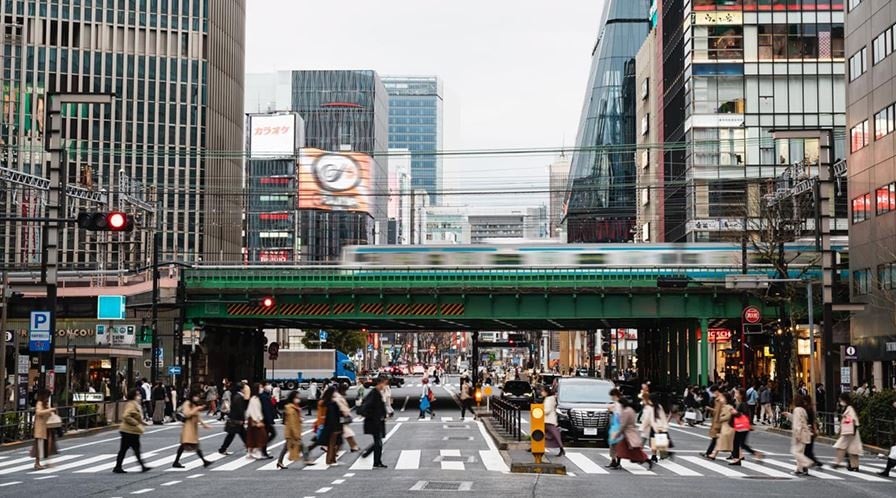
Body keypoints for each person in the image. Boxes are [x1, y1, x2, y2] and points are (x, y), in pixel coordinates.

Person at [113, 388, 150, 473]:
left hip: (130, 431)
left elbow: (136, 416)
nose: (139, 396)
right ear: (134, 396)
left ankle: (118, 466)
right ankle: (141, 466)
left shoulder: (134, 404)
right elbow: (126, 416)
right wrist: (136, 423)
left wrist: (142, 422)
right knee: (133, 448)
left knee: (126, 449)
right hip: (129, 430)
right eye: (138, 395)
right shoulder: (131, 404)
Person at [172, 388, 212, 468]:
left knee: (186, 445)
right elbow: (187, 414)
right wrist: (197, 409)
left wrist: (204, 424)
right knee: (191, 444)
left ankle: (176, 462)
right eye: (196, 396)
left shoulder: (193, 404)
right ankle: (204, 461)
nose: (198, 398)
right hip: (188, 427)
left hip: (192, 427)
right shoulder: (187, 403)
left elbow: (197, 416)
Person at [613, 396, 652, 469]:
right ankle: (618, 462)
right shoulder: (630, 410)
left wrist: (618, 433)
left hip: (627, 433)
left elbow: (623, 424)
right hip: (629, 432)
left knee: (631, 450)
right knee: (621, 448)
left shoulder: (626, 411)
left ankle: (647, 460)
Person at [277, 391, 312, 469]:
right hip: (292, 433)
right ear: (293, 398)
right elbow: (292, 423)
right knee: (300, 446)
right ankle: (306, 460)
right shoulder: (291, 409)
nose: (298, 399)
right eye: (296, 398)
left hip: (291, 432)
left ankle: (280, 462)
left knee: (286, 447)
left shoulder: (294, 408)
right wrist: (296, 434)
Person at [360, 376, 389, 468]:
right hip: (374, 421)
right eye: (384, 384)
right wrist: (375, 416)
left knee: (378, 441)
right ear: (380, 383)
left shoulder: (377, 393)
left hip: (376, 421)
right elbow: (367, 406)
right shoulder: (374, 393)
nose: (385, 386)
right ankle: (376, 461)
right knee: (378, 442)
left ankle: (375, 460)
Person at [729, 388, 762, 465]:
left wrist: (735, 412)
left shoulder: (743, 404)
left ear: (741, 395)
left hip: (742, 426)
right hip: (742, 426)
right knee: (739, 443)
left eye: (737, 393)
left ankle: (737, 459)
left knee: (738, 443)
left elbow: (745, 415)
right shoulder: (740, 403)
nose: (735, 394)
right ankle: (738, 458)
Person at [831, 392, 862, 471]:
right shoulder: (848, 407)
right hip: (851, 431)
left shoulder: (849, 408)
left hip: (849, 431)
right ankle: (854, 466)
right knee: (853, 449)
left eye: (840, 399)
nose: (840, 401)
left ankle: (837, 462)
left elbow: (853, 419)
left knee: (841, 446)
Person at [786, 394, 815, 476]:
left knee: (795, 451)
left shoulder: (797, 410)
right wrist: (788, 415)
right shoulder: (802, 409)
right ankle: (799, 469)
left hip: (800, 433)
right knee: (800, 452)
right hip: (805, 433)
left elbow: (797, 423)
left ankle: (807, 462)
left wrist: (797, 434)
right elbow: (799, 420)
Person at [639, 392, 670, 462]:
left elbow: (646, 418)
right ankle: (657, 455)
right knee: (656, 441)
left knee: (646, 442)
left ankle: (642, 456)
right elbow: (663, 417)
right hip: (658, 427)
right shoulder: (659, 406)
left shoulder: (649, 407)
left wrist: (642, 426)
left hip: (650, 427)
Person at [218, 382, 248, 456]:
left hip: (235, 419)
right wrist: (242, 419)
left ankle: (223, 449)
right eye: (244, 388)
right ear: (241, 389)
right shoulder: (239, 397)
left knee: (238, 435)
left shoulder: (237, 396)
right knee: (234, 435)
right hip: (236, 420)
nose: (246, 389)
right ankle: (222, 449)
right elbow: (239, 409)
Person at [32, 389, 57, 470]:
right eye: (47, 396)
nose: (48, 398)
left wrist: (52, 412)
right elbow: (38, 412)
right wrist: (50, 410)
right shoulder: (39, 403)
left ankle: (44, 462)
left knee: (45, 445)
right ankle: (37, 463)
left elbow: (48, 413)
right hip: (40, 428)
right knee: (39, 446)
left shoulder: (46, 404)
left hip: (46, 427)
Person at [706, 390, 734, 460]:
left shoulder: (728, 407)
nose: (721, 399)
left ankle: (713, 454)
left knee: (724, 441)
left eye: (722, 397)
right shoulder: (724, 406)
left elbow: (728, 416)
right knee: (723, 441)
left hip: (727, 426)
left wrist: (720, 419)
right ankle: (737, 455)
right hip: (724, 426)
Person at [334, 383, 360, 451]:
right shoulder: (338, 397)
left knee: (344, 433)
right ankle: (353, 446)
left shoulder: (338, 396)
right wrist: (346, 415)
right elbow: (342, 408)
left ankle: (353, 446)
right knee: (346, 432)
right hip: (340, 418)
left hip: (339, 418)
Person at [323, 384, 344, 466]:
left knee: (332, 444)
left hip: (329, 425)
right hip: (333, 426)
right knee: (331, 444)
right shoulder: (332, 403)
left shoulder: (328, 402)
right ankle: (329, 460)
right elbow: (333, 416)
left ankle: (332, 460)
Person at [541, 385, 564, 457]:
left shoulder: (548, 399)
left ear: (546, 392)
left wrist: (540, 410)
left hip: (548, 420)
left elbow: (547, 410)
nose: (541, 393)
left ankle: (561, 449)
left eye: (542, 391)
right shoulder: (550, 398)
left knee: (553, 435)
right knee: (542, 435)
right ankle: (534, 447)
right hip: (549, 420)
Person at [802, 394, 823, 468]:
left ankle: (813, 463)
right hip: (811, 431)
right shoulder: (810, 409)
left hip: (808, 431)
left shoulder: (806, 410)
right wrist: (816, 430)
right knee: (808, 450)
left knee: (806, 451)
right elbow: (814, 421)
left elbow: (808, 421)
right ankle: (815, 462)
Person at [702, 386, 723, 457]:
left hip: (719, 420)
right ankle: (709, 453)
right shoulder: (718, 399)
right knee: (716, 438)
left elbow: (718, 411)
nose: (713, 394)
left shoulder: (720, 400)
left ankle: (709, 453)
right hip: (718, 420)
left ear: (717, 391)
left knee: (717, 438)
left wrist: (710, 409)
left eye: (713, 392)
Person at [259, 384, 277, 458]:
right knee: (269, 435)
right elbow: (266, 410)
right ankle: (262, 450)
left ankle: (262, 450)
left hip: (266, 419)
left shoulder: (265, 396)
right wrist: (270, 420)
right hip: (266, 420)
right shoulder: (264, 397)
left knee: (267, 435)